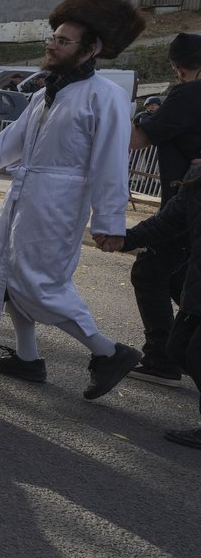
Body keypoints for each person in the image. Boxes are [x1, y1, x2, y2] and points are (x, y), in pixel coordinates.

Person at [0, 0, 145, 399]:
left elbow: (110, 161)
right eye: (53, 38)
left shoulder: (106, 97)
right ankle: (28, 359)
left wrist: (110, 220)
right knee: (6, 274)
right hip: (24, 197)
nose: (53, 46)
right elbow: (7, 145)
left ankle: (108, 351)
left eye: (63, 41)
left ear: (91, 48)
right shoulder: (46, 93)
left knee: (40, 284)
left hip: (59, 205)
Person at [100, 161, 201, 448]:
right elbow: (167, 222)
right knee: (179, 348)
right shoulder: (196, 177)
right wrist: (125, 238)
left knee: (196, 352)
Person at [125, 35, 201, 385]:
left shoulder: (186, 95)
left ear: (175, 66)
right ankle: (182, 352)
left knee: (150, 271)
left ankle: (163, 360)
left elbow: (135, 140)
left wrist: (139, 117)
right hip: (189, 205)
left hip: (187, 205)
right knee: (179, 280)